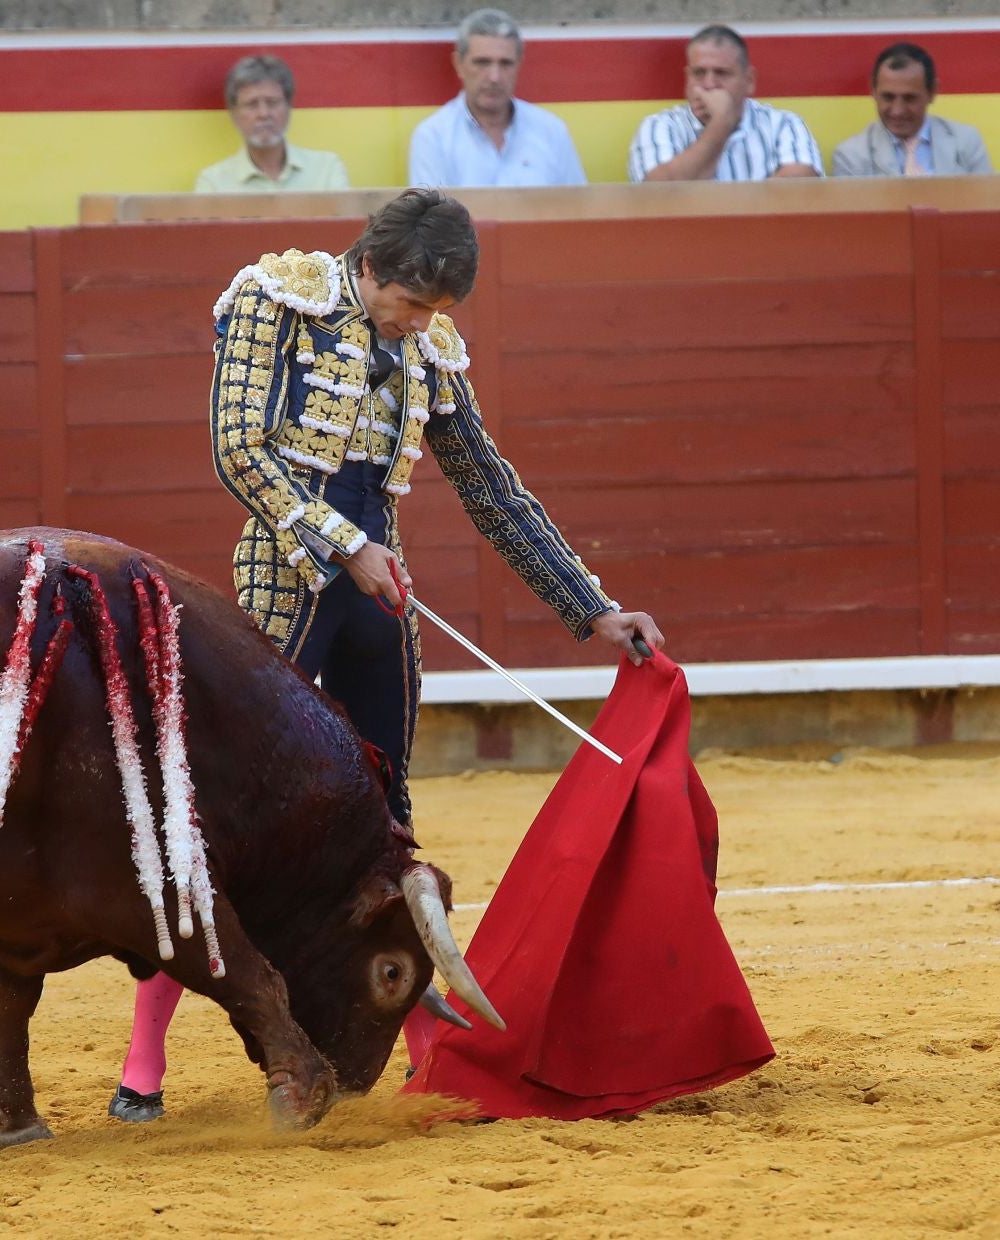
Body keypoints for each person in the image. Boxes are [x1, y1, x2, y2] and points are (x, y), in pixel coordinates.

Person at [107, 188, 663, 1123]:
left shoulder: (430, 349)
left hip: (378, 601)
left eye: (434, 313)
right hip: (284, 580)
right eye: (409, 305)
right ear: (366, 269)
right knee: (221, 823)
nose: (418, 327)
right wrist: (343, 543)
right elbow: (239, 451)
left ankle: (414, 1043)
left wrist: (593, 608)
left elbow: (491, 487)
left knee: (387, 820)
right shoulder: (274, 299)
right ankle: (143, 1058)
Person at [407, 9, 586, 188]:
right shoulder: (433, 137)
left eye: (505, 63)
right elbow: (429, 215)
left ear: (519, 65)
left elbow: (580, 209)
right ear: (459, 64)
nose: (494, 77)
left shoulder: (552, 132)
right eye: (482, 63)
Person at [628, 25, 820, 182]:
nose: (709, 84)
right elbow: (660, 196)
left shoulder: (784, 124)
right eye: (699, 73)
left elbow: (799, 191)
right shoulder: (659, 126)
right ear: (687, 78)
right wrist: (721, 124)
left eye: (722, 73)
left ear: (749, 81)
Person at [831, 43, 993, 177]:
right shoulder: (850, 156)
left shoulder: (966, 142)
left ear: (932, 92)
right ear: (873, 91)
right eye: (888, 97)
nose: (897, 111)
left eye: (909, 98)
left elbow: (986, 208)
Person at [194, 55, 350, 194]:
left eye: (272, 102)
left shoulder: (327, 169)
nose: (263, 114)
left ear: (288, 107)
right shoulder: (214, 184)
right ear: (234, 114)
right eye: (252, 104)